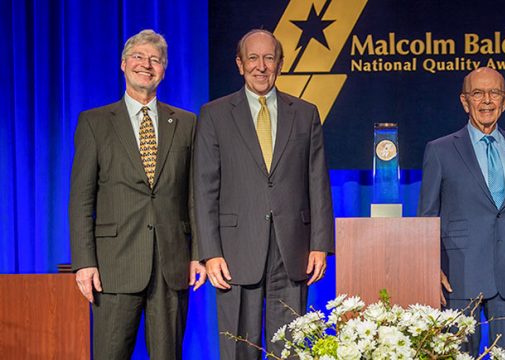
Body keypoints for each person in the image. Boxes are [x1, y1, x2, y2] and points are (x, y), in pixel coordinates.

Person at [194, 29, 334, 359]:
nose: (261, 66)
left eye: (269, 58)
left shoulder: (305, 113)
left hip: (292, 249)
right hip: (234, 251)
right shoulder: (214, 114)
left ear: (280, 64)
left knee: (290, 346)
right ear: (240, 65)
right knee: (237, 346)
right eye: (253, 58)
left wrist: (320, 244)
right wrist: (209, 252)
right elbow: (204, 187)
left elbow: (317, 181)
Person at [69, 29, 206, 359]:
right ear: (123, 64)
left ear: (164, 70)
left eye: (155, 60)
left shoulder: (187, 123)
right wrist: (84, 262)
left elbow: (195, 195)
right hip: (114, 265)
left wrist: (197, 253)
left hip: (170, 264)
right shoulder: (95, 123)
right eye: (139, 57)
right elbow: (80, 198)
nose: (147, 64)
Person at [418, 67, 505, 359]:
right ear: (465, 101)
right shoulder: (440, 150)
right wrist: (430, 267)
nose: (486, 101)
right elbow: (427, 216)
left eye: (494, 93)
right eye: (478, 93)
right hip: (458, 274)